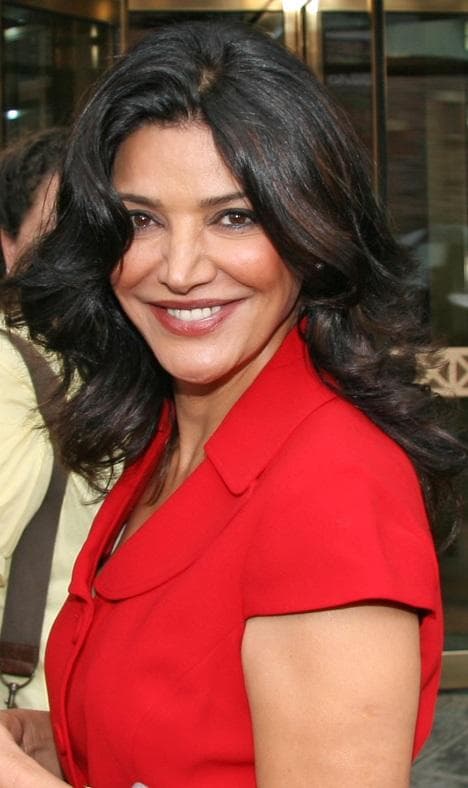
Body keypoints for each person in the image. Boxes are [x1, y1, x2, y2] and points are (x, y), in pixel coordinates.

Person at [0, 19, 466, 788]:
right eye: (142, 220)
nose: (180, 269)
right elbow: (202, 734)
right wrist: (45, 743)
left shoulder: (330, 488)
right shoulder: (173, 442)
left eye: (234, 217)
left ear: (310, 232)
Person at [0, 129, 104, 711]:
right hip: (30, 720)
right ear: (8, 245)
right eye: (57, 232)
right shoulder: (9, 368)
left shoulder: (108, 364)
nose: (81, 255)